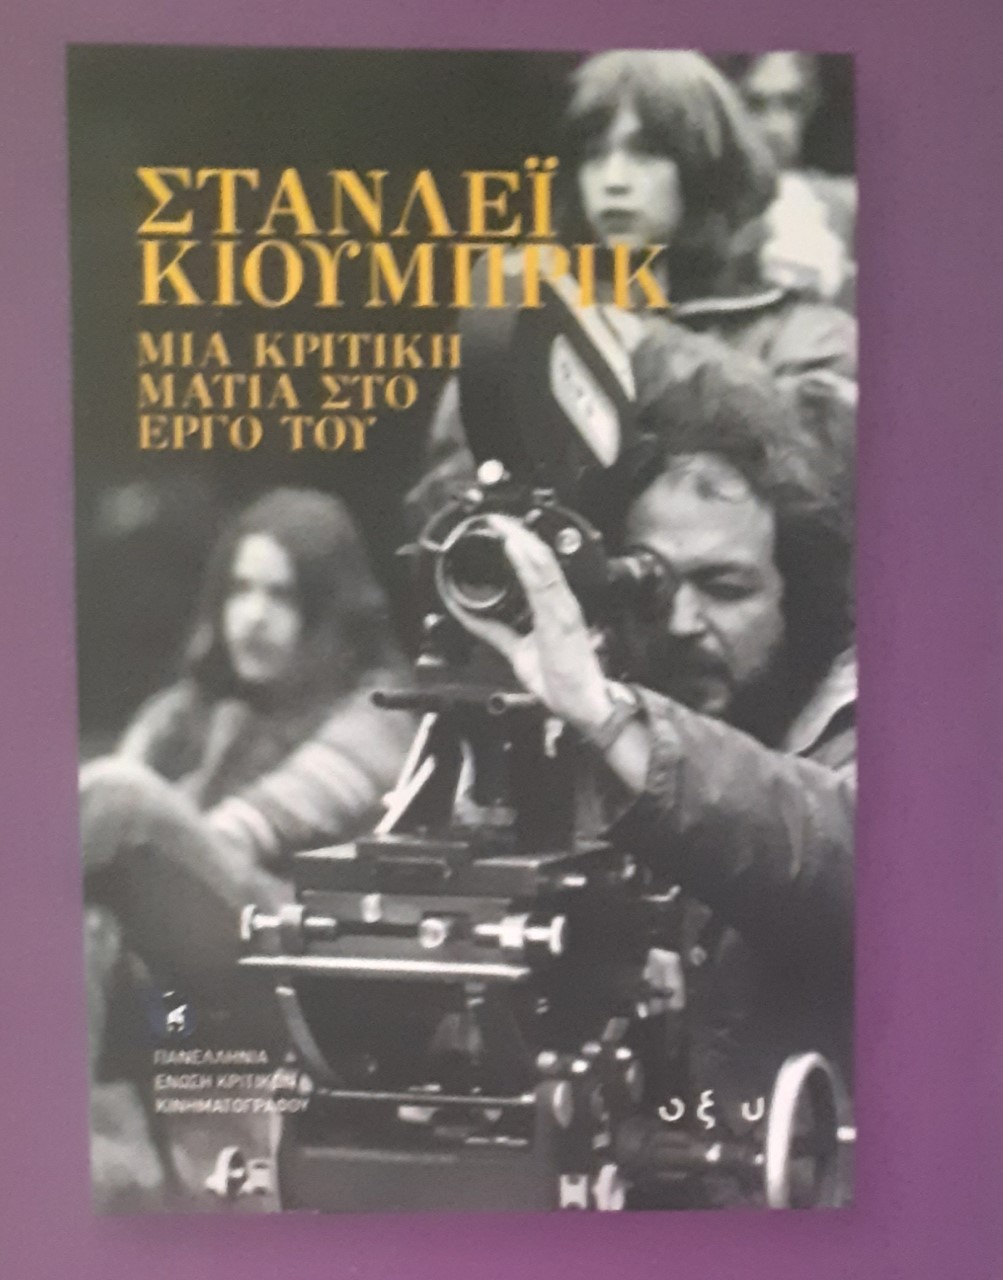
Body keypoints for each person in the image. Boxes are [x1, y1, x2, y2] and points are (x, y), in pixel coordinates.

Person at [443, 359, 855, 1201]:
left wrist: (606, 716)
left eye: (725, 588)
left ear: (802, 594)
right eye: (648, 582)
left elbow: (841, 852)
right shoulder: (594, 713)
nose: (679, 622)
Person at [82, 487, 414, 1208]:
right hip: (174, 995)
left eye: (282, 596)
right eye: (239, 589)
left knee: (114, 796)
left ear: (335, 609)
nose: (252, 616)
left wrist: (147, 830)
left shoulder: (379, 713)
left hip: (292, 969)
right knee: (84, 910)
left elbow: (241, 830)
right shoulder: (184, 712)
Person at [408, 50, 855, 531]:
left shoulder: (806, 332)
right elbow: (439, 509)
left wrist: (645, 350)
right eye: (594, 156)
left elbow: (826, 496)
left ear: (705, 168)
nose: (614, 181)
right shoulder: (536, 328)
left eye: (645, 154)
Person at [720, 52, 857, 309]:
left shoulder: (843, 204)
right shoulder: (706, 210)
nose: (776, 127)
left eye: (790, 103)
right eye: (755, 104)